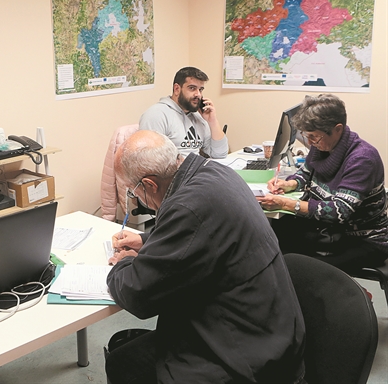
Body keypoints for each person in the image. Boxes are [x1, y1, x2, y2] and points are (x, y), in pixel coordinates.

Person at [105, 130, 305, 384]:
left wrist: (123, 263)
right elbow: (204, 234)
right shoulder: (214, 173)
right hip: (269, 329)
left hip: (245, 354)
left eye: (134, 193)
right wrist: (146, 240)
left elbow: (137, 296)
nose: (136, 198)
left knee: (122, 362)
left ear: (150, 185)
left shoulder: (187, 207)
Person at [258, 94, 388, 272]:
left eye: (314, 137)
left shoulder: (362, 159)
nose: (310, 142)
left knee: (298, 266)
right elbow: (306, 174)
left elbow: (339, 211)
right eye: (307, 136)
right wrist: (290, 184)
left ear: (338, 129)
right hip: (332, 231)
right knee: (275, 235)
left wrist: (287, 204)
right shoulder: (322, 146)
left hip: (363, 239)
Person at [139, 66, 228, 158]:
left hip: (196, 165)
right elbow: (148, 159)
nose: (198, 94)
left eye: (200, 89)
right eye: (192, 88)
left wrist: (212, 121)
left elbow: (220, 154)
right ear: (177, 89)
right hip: (175, 167)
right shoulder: (157, 115)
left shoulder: (197, 116)